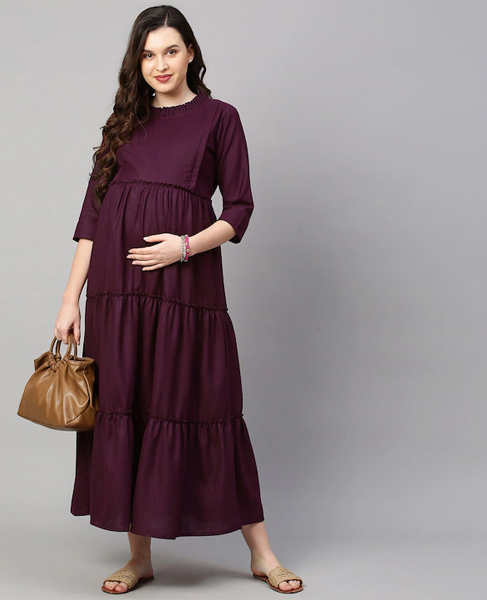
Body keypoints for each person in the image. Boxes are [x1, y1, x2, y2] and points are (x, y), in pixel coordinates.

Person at [54, 5, 304, 595]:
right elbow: (91, 220)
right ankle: (139, 557)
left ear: (191, 52)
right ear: (136, 63)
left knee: (209, 407)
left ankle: (262, 555)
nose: (160, 65)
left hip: (185, 293)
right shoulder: (122, 123)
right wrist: (69, 300)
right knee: (129, 405)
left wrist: (185, 247)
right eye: (148, 55)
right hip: (118, 294)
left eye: (170, 51)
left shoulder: (220, 118)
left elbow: (239, 209)